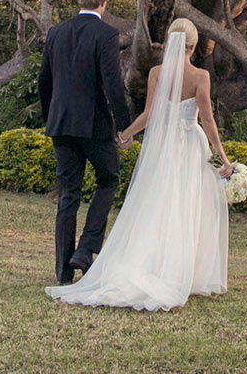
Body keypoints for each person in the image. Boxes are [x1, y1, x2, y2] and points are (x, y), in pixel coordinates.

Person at [46, 17, 232, 311]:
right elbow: (207, 120)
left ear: (169, 43)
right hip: (190, 145)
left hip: (163, 147)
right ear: (193, 46)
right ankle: (179, 269)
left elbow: (149, 114)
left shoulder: (157, 73)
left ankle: (152, 264)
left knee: (157, 203)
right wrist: (222, 156)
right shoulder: (200, 77)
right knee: (187, 206)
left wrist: (126, 134)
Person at [38, 0, 132, 285]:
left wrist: (50, 117)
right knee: (108, 179)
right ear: (104, 0)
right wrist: (124, 125)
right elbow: (113, 84)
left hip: (61, 125)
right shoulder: (105, 34)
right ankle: (86, 247)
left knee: (68, 195)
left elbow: (44, 82)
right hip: (93, 125)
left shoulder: (56, 33)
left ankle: (62, 270)